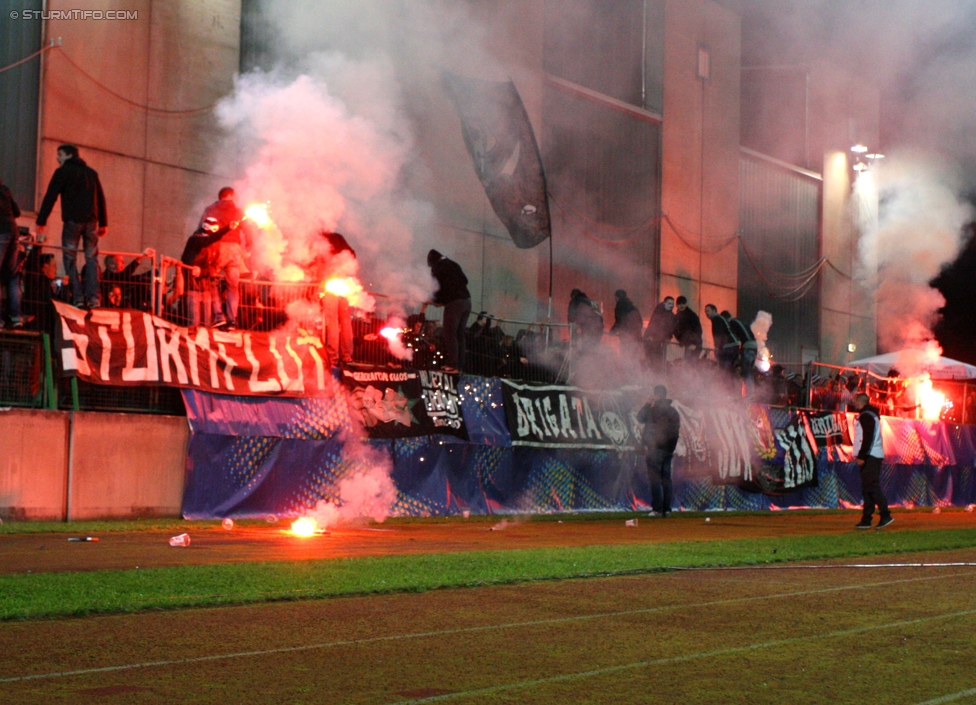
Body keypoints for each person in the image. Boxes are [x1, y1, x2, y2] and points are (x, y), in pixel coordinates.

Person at [35, 144, 108, 309]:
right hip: (91, 222)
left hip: (72, 222)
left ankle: (77, 297)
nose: (57, 158)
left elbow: (51, 196)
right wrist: (103, 223)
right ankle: (94, 298)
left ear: (68, 155)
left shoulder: (62, 172)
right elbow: (101, 199)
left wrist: (42, 220)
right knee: (92, 259)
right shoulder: (91, 173)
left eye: (59, 155)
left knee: (69, 258)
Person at [199, 187, 248, 330]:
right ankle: (232, 320)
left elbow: (203, 228)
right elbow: (248, 229)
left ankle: (219, 316)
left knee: (212, 280)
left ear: (220, 196)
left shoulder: (210, 209)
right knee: (233, 287)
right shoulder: (239, 211)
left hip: (217, 248)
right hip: (234, 250)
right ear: (231, 195)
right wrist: (249, 246)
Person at [179, 216, 236, 326]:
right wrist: (227, 228)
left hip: (205, 288)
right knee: (194, 325)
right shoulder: (194, 239)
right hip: (192, 288)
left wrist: (202, 272)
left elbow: (214, 266)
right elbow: (206, 241)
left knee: (206, 325)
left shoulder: (214, 244)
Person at [637, 384, 681, 517]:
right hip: (668, 450)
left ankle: (657, 509)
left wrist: (647, 404)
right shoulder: (673, 412)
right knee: (666, 480)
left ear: (656, 395)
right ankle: (667, 509)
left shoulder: (653, 410)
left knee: (655, 479)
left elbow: (640, 418)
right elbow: (675, 432)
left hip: (655, 448)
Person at [852, 392, 893, 530]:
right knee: (867, 488)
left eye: (856, 402)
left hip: (871, 456)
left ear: (860, 402)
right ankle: (866, 519)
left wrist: (862, 456)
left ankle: (885, 514)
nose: (855, 404)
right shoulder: (871, 415)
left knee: (872, 486)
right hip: (873, 454)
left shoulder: (866, 416)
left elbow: (867, 437)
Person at [427, 249, 472, 372]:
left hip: (454, 303)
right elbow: (465, 280)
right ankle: (459, 366)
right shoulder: (454, 264)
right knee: (459, 335)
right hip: (467, 301)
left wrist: (436, 300)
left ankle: (452, 364)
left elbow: (437, 287)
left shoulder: (437, 268)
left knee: (449, 333)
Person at [0, 178, 23, 329]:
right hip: (13, 232)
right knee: (13, 276)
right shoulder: (5, 189)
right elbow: (17, 212)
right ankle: (16, 317)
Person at [643, 295, 675, 368]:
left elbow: (670, 328)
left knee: (658, 359)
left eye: (672, 304)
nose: (671, 305)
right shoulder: (659, 312)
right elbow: (653, 323)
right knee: (651, 357)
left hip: (660, 341)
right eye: (669, 303)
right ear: (664, 303)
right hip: (653, 339)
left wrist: (669, 337)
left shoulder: (671, 315)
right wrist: (650, 335)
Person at [705, 304, 736, 372]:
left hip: (729, 346)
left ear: (714, 310)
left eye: (708, 311)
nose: (706, 313)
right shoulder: (719, 318)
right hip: (732, 345)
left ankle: (726, 381)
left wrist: (717, 346)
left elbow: (718, 333)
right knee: (729, 369)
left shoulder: (716, 319)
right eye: (705, 311)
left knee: (724, 368)